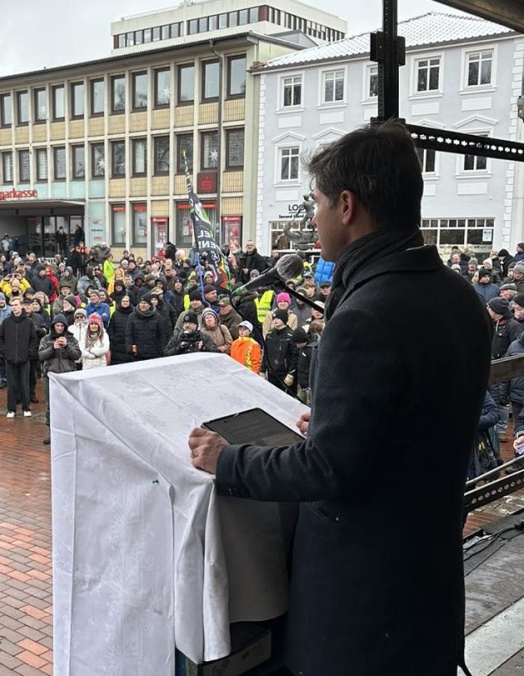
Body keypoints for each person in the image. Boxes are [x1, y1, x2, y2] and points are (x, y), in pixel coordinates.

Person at [187, 120, 491, 676]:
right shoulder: (460, 298)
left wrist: (227, 458)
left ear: (347, 206)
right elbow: (418, 424)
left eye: (318, 202)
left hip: (362, 610)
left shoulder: (365, 317)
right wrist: (335, 423)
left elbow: (329, 470)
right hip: (428, 581)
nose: (316, 217)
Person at [38, 315, 81, 445]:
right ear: (53, 326)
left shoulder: (71, 339)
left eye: (61, 326)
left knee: (68, 405)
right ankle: (52, 431)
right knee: (51, 405)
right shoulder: (46, 339)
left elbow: (77, 356)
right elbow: (40, 355)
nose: (59, 328)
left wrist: (67, 346)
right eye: (57, 326)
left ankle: (68, 431)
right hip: (50, 376)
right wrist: (53, 348)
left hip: (67, 376)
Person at [0, 297, 38, 418]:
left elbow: (33, 339)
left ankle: (26, 407)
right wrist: (5, 351)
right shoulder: (6, 322)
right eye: (12, 305)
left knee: (24, 384)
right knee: (11, 384)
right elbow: (0, 337)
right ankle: (11, 409)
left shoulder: (28, 322)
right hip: (10, 359)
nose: (14, 307)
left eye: (16, 305)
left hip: (24, 359)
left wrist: (28, 352)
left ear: (21, 306)